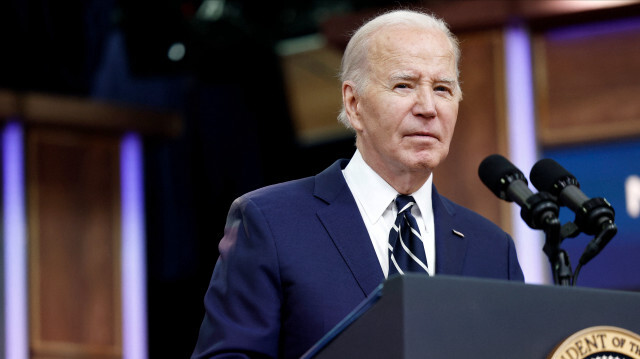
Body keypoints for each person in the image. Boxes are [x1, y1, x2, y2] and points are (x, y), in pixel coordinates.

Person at [191, 9, 524, 359]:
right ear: (354, 104)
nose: (428, 107)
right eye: (403, 85)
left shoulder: (492, 249)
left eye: (442, 88)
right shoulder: (270, 223)